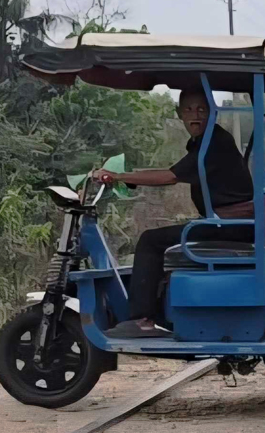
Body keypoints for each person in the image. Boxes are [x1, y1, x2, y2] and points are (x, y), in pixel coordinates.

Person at [93, 88, 254, 338]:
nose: (195, 114)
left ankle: (143, 320)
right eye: (189, 109)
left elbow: (170, 176)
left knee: (150, 240)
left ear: (212, 113)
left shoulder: (214, 141)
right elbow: (172, 170)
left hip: (233, 224)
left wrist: (119, 176)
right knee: (163, 239)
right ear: (179, 114)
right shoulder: (204, 142)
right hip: (226, 222)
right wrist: (127, 177)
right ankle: (159, 314)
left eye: (202, 109)